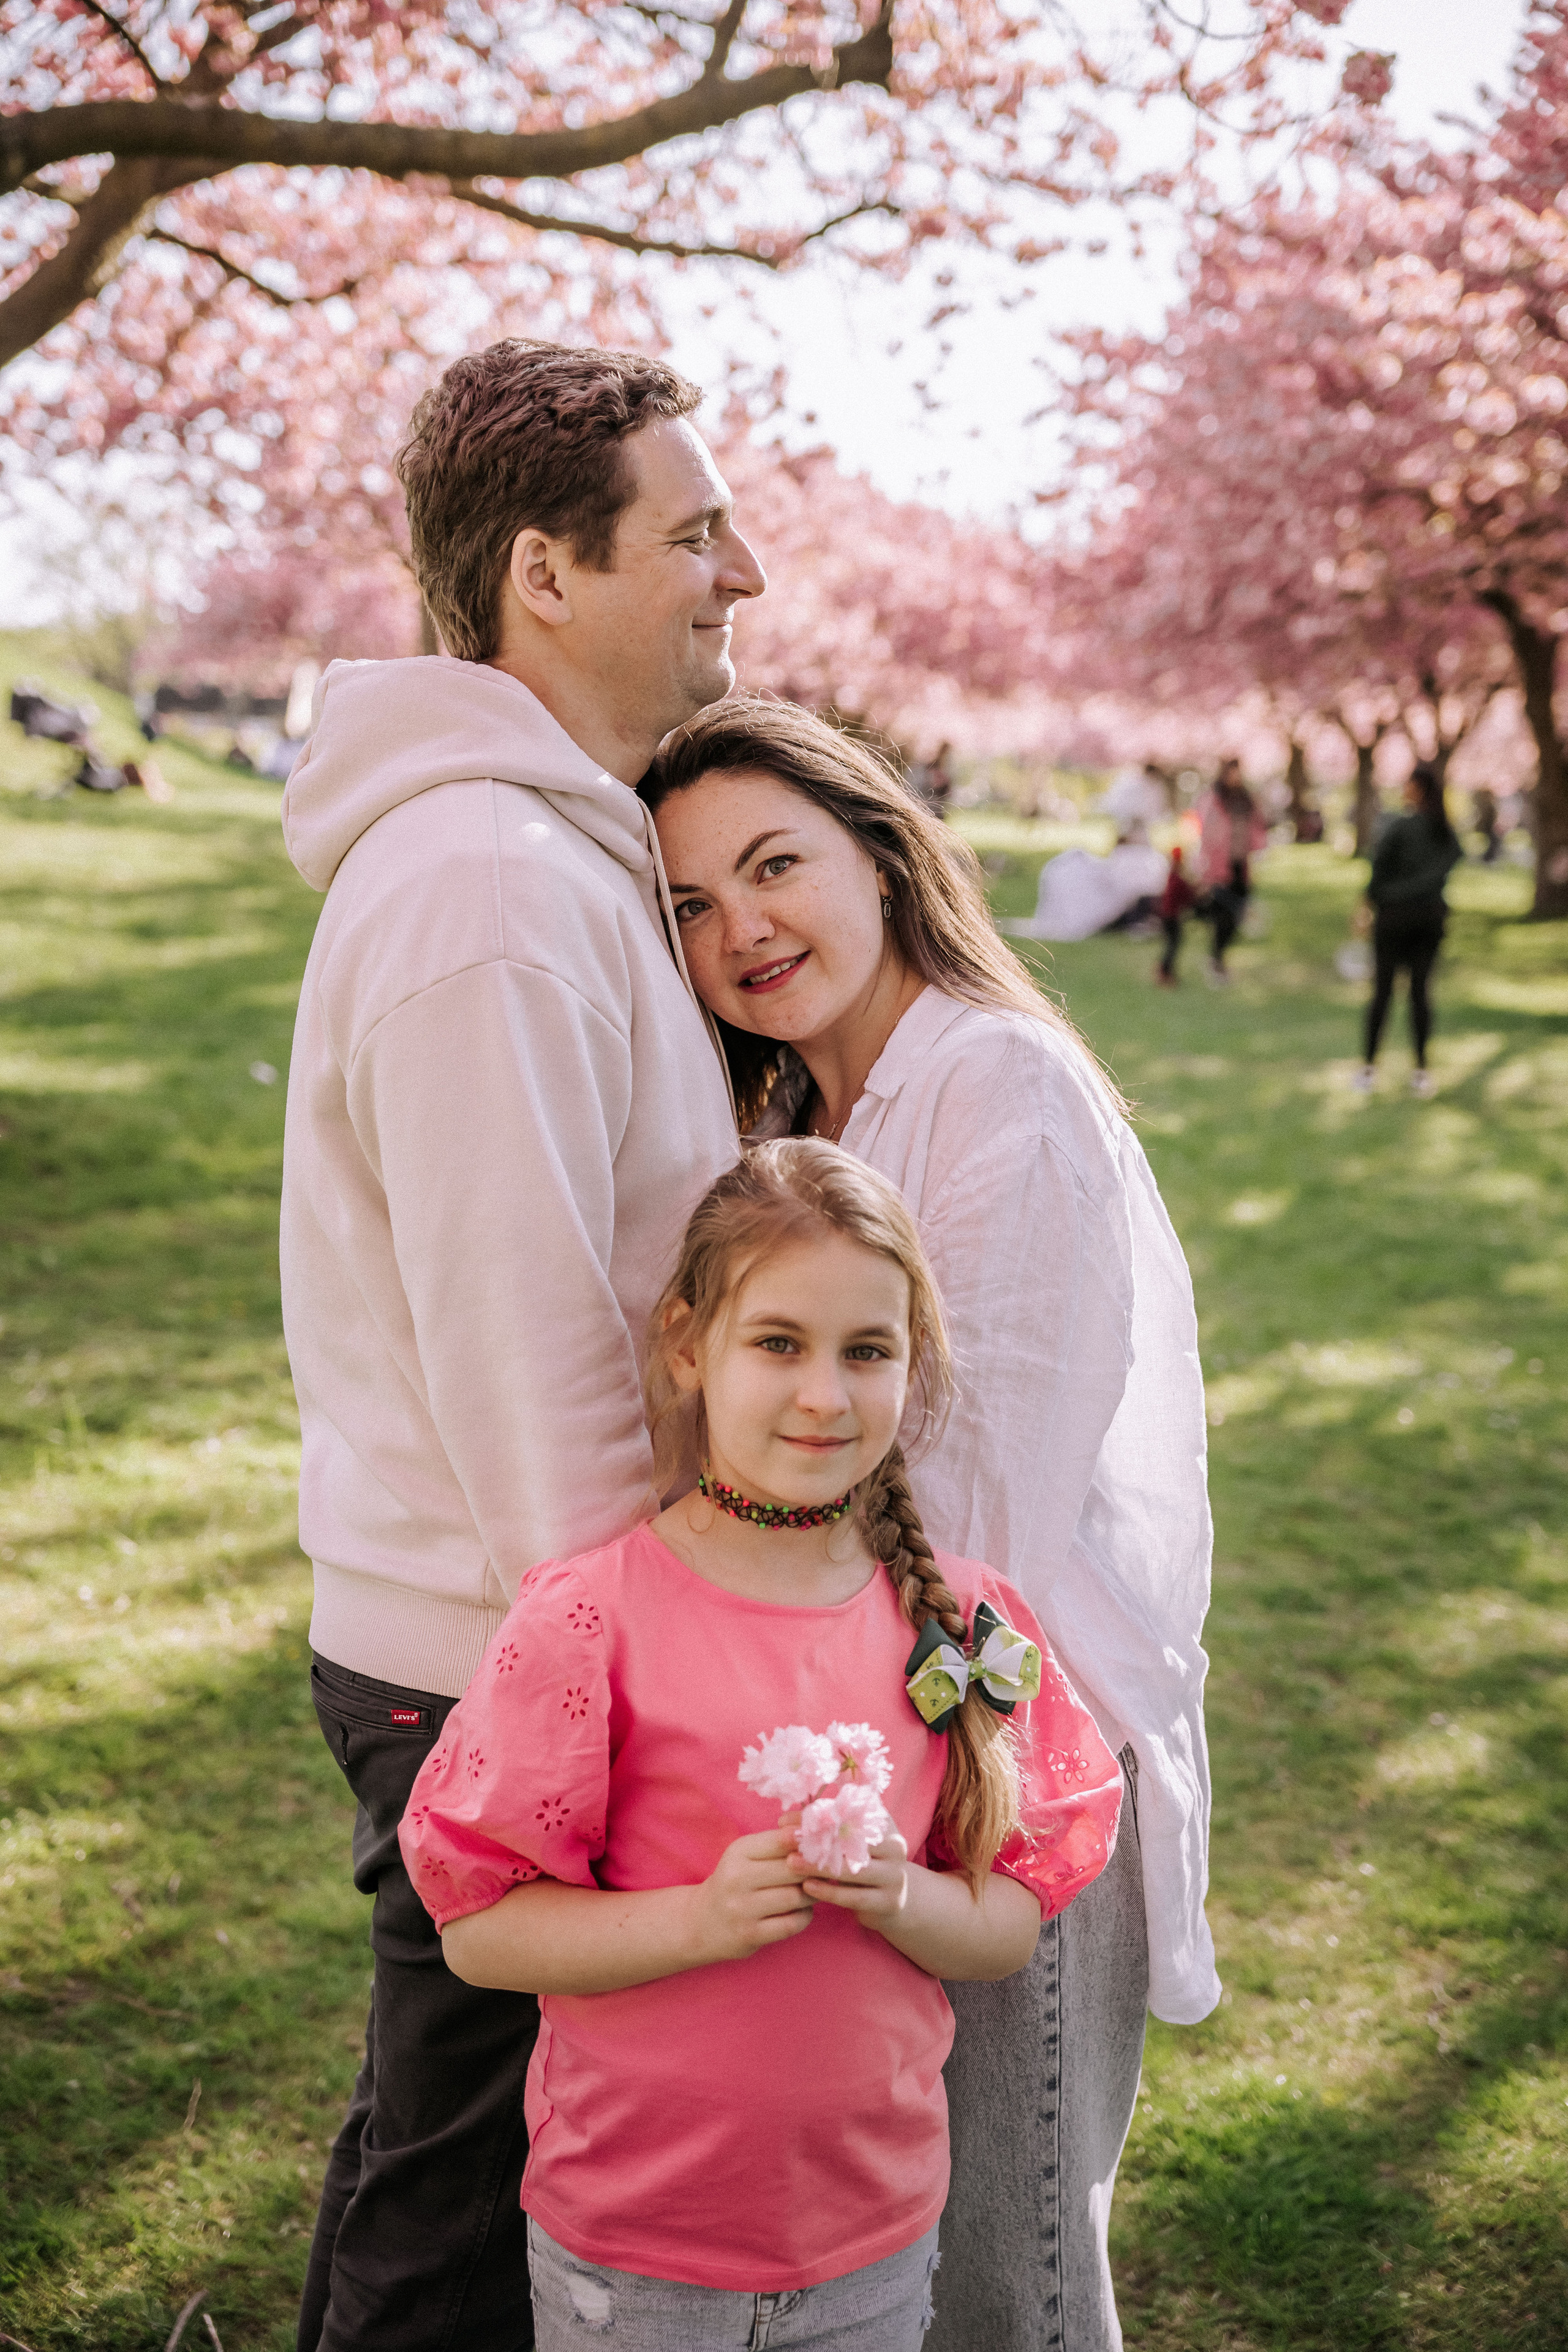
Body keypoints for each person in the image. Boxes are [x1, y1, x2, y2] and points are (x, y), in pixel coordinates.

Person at [277, 339, 764, 2352]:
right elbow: (525, 1357)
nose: (743, 575)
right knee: (463, 2217)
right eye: (697, 533)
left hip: (511, 1645)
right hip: (503, 1666)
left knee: (446, 2162)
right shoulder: (488, 879)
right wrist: (654, 1706)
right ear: (545, 574)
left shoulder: (549, 845)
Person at [645, 697, 1218, 2352]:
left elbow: (971, 1507)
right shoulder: (804, 1123)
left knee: (1006, 2284)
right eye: (691, 903)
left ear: (882, 856)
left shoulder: (998, 1088)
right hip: (858, 1766)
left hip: (1002, 1773)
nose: (741, 930)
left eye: (775, 866)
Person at [401, 1141, 1123, 2350]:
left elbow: (1006, 1924)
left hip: (873, 2244)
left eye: (867, 1351)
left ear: (913, 1359)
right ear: (689, 1346)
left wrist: (904, 1898)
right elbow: (479, 1932)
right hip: (634, 2256)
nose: (824, 1396)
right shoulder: (592, 1618)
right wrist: (699, 1920)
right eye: (778, 1343)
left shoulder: (958, 1618)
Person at [1352, 762, 1463, 1099]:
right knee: (1420, 993)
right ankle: (1421, 1071)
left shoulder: (1401, 826)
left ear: (1418, 788)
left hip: (1395, 918)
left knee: (1383, 993)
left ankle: (1369, 1068)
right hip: (1429, 918)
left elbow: (1378, 871)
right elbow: (1453, 861)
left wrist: (1370, 904)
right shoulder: (1443, 830)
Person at [1195, 757, 1265, 983]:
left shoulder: (1246, 800)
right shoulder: (1213, 800)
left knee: (1237, 916)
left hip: (1241, 865)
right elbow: (1205, 833)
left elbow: (1258, 827)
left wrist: (1259, 851)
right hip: (1219, 868)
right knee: (1223, 917)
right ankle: (1216, 961)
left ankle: (1218, 959)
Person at [1155, 843, 1199, 986]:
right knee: (1173, 945)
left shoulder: (1172, 877)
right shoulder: (1178, 880)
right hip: (1171, 917)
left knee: (1172, 944)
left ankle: (1165, 971)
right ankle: (1165, 973)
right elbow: (1189, 897)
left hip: (1167, 915)